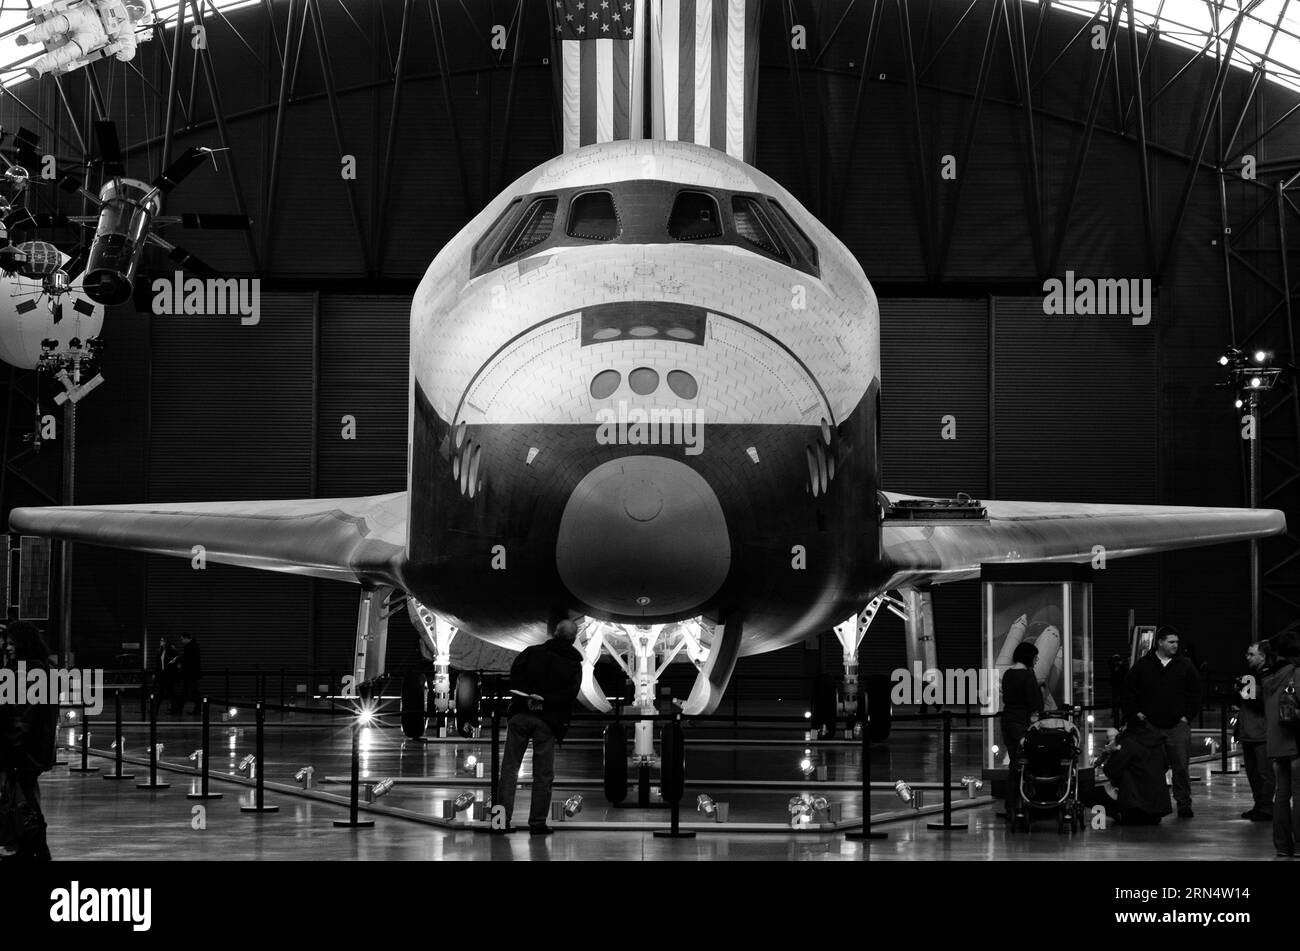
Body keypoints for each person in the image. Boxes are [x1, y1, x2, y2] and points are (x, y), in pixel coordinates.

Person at [496, 619, 582, 835]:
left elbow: (515, 676)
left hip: (520, 714)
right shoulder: (573, 664)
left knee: (509, 769)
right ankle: (537, 823)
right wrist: (545, 700)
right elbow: (570, 694)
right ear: (574, 638)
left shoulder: (531, 652)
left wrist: (529, 697)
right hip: (548, 721)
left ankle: (501, 821)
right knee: (543, 775)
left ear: (554, 633)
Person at [1123, 626, 1201, 818]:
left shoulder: (1185, 665)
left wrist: (1186, 717)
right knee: (1152, 768)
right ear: (1160, 642)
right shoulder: (1143, 665)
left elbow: (1196, 692)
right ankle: (1151, 804)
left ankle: (1184, 804)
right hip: (1151, 726)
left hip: (1177, 726)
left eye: (1177, 642)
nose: (1176, 645)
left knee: (1181, 766)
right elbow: (1129, 691)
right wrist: (1136, 714)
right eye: (1171, 642)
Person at [0, 621, 58, 861]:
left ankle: (30, 847)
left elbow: (21, 719)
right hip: (33, 752)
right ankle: (31, 847)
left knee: (20, 801)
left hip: (20, 752)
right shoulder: (43, 670)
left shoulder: (23, 674)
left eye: (12, 643)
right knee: (25, 798)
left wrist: (9, 755)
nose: (7, 647)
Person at [1263, 631, 1300, 857]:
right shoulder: (1297, 674)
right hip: (1297, 743)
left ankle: (1283, 846)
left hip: (1277, 744)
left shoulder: (1268, 680)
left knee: (1281, 796)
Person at [1095, 721, 1172, 825]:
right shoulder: (1158, 742)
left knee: (1090, 794)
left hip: (1134, 808)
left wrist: (1111, 754)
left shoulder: (1129, 742)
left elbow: (1111, 770)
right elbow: (1165, 766)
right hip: (1158, 808)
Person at [1001, 641, 1043, 819]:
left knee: (1014, 764)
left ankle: (1011, 805)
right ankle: (1020, 805)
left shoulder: (1008, 674)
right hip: (1021, 723)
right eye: (1035, 656)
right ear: (1029, 657)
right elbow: (1036, 704)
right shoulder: (1027, 676)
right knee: (1024, 765)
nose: (1037, 659)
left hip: (1007, 721)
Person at [1236, 641, 1274, 822]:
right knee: (1253, 773)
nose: (1248, 657)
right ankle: (1260, 805)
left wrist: (1246, 691)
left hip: (1262, 733)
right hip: (1250, 732)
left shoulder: (1269, 676)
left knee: (1264, 773)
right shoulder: (1251, 677)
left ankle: (1265, 807)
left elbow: (1262, 703)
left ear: (1263, 656)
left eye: (1252, 654)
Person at [153, 636, 179, 717]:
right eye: (160, 640)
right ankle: (155, 709)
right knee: (160, 692)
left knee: (170, 693)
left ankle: (174, 709)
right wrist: (156, 673)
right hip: (162, 674)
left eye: (162, 640)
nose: (161, 642)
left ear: (166, 642)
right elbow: (158, 664)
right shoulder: (160, 651)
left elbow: (175, 663)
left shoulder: (172, 651)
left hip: (169, 675)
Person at [180, 633, 201, 716]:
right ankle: (196, 710)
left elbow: (188, 660)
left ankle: (196, 710)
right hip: (192, 674)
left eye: (182, 639)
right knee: (192, 692)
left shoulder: (190, 647)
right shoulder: (194, 645)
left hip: (190, 674)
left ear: (186, 638)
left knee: (191, 692)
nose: (181, 641)